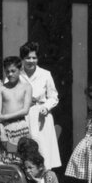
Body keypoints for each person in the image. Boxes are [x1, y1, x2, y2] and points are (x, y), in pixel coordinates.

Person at [19, 41, 61, 171]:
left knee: (43, 149)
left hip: (41, 117)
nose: (31, 61)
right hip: (24, 116)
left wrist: (46, 107)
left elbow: (53, 96)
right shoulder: (17, 75)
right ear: (22, 59)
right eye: (28, 58)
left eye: (34, 58)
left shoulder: (45, 74)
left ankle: (45, 182)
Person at [0, 55, 33, 154]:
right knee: (6, 160)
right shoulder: (1, 89)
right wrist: (2, 133)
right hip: (6, 128)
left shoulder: (26, 87)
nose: (10, 74)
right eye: (7, 71)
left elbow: (25, 110)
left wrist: (4, 117)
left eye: (13, 71)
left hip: (22, 127)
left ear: (20, 69)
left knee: (24, 157)